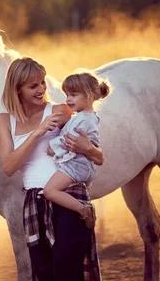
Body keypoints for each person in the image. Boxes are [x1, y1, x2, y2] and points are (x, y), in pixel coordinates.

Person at [0, 57, 104, 281]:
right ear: (17, 89)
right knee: (44, 273)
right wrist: (38, 132)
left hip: (68, 195)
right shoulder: (5, 120)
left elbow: (99, 157)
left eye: (43, 82)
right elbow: (8, 166)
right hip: (34, 202)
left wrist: (89, 149)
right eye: (33, 85)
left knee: (67, 273)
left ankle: (85, 212)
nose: (42, 89)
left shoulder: (61, 111)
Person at [44, 72, 111, 229]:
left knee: (50, 191)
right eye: (67, 94)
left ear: (88, 96)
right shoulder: (87, 117)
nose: (68, 99)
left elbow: (68, 141)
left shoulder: (82, 120)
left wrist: (50, 148)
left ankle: (84, 210)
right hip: (82, 165)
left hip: (75, 166)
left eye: (73, 95)